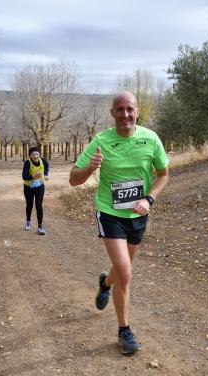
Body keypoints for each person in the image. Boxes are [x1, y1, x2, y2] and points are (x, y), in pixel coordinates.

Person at [69, 92, 169, 354]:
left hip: (138, 214)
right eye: (120, 110)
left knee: (120, 269)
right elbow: (73, 180)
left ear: (137, 111)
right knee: (125, 270)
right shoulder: (101, 141)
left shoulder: (150, 139)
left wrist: (148, 199)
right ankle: (125, 331)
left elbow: (163, 175)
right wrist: (90, 168)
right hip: (109, 212)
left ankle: (105, 283)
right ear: (112, 113)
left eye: (130, 109)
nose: (125, 114)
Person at [22, 146, 50, 235]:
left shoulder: (43, 161)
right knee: (29, 205)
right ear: (30, 156)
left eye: (37, 154)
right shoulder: (27, 163)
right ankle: (28, 221)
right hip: (28, 187)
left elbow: (47, 165)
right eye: (33, 154)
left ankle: (40, 227)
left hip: (39, 186)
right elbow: (24, 176)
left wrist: (45, 174)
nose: (35, 156)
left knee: (39, 205)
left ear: (39, 154)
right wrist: (34, 176)